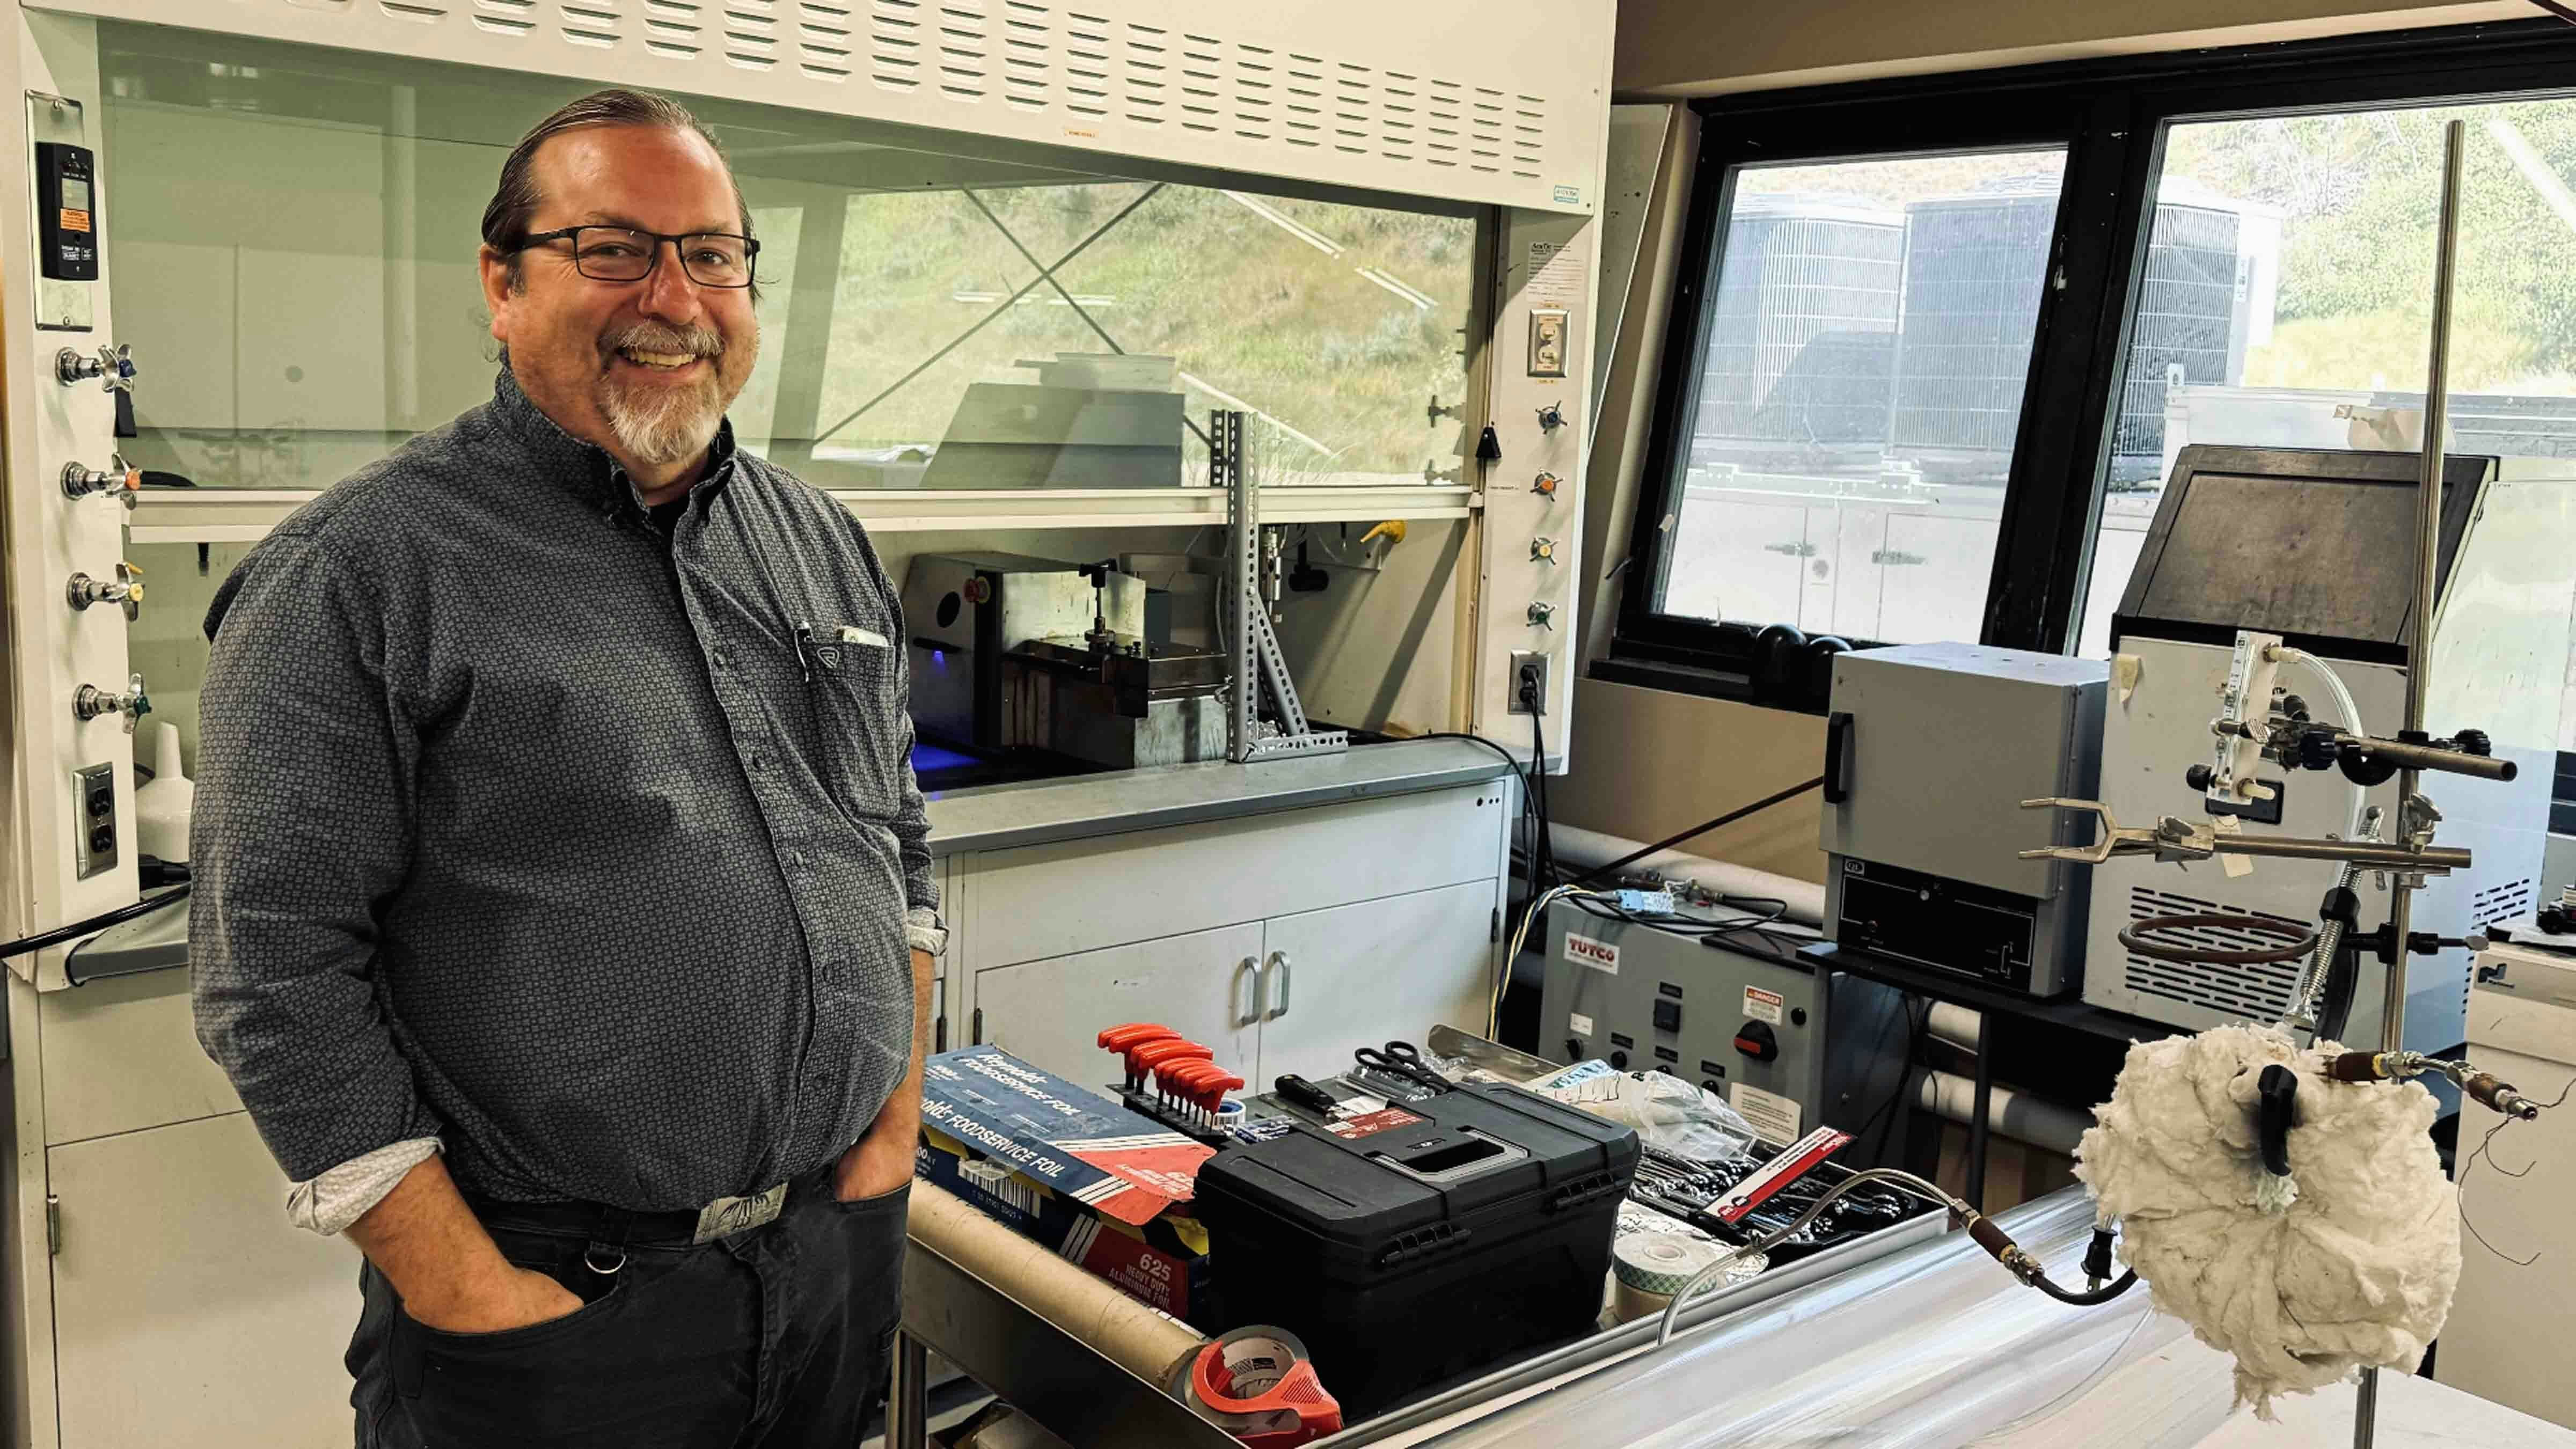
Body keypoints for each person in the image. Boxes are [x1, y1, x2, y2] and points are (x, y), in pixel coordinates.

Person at [189, 87, 941, 1448]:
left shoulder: (816, 540)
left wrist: (888, 1142)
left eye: (712, 255)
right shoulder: (358, 575)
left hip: (831, 1256)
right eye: (614, 249)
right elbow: (275, 977)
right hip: (561, 1307)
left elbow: (897, 836)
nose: (675, 297)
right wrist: (467, 1292)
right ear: (502, 279)